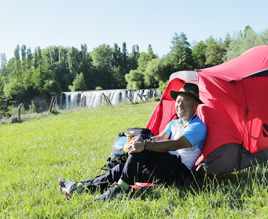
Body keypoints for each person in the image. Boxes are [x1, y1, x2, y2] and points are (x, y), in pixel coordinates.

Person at [58, 82, 207, 200]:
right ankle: (79, 188)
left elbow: (176, 144)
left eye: (185, 102)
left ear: (195, 105)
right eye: (178, 101)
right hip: (161, 167)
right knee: (121, 168)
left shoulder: (198, 126)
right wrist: (137, 141)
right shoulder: (174, 123)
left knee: (144, 145)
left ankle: (122, 188)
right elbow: (160, 138)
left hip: (178, 172)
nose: (180, 105)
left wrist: (145, 144)